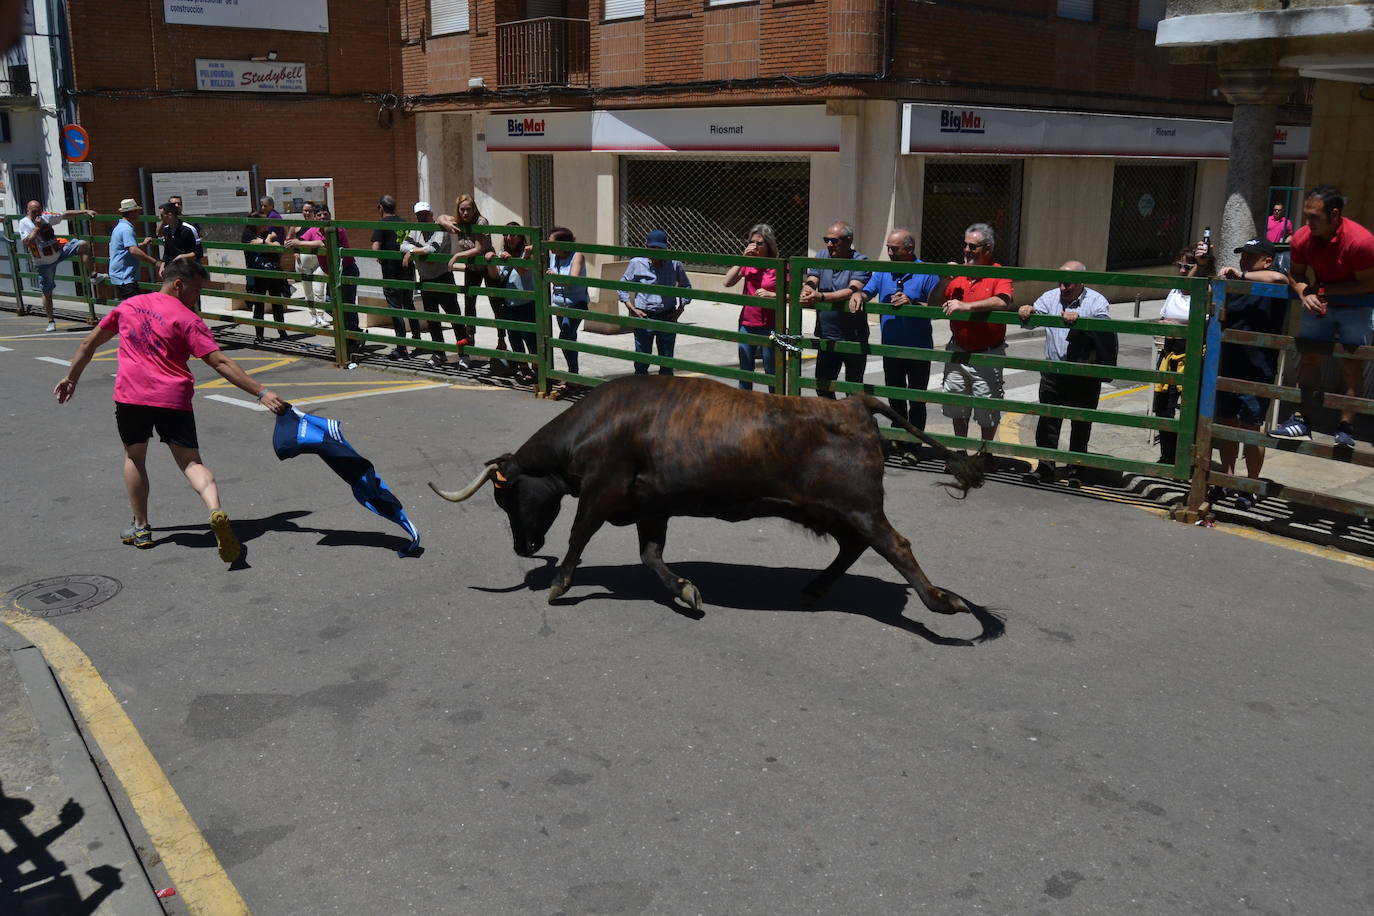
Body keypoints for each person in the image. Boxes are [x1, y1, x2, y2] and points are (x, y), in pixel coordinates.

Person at [52, 259, 288, 563]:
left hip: (131, 397)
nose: (197, 296)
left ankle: (141, 528)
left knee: (134, 457)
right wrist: (261, 392)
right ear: (179, 284)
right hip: (172, 399)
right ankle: (215, 510)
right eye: (196, 289)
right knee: (191, 463)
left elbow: (89, 342)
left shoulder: (130, 305)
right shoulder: (189, 320)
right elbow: (220, 362)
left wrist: (71, 378)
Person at [1270, 185, 1374, 448]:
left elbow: (1366, 285)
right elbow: (1296, 273)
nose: (1308, 222)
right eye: (1306, 215)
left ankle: (1346, 426)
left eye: (1314, 216)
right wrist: (1305, 293)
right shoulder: (1302, 237)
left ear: (1335, 215)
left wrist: (1322, 290)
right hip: (1320, 301)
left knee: (1351, 364)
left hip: (1356, 304)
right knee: (1309, 358)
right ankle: (1301, 420)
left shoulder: (1361, 242)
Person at [848, 229, 941, 461]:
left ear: (909, 249)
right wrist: (860, 295)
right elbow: (868, 291)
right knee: (895, 397)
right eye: (888, 247)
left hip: (918, 346)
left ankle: (914, 445)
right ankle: (900, 440)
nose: (889, 252)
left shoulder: (926, 272)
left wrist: (913, 303)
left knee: (916, 399)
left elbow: (936, 306)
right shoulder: (884, 271)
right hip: (891, 346)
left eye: (894, 248)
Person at [1017, 261, 1113, 484]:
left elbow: (1103, 326)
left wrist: (1082, 321)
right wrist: (1027, 310)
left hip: (1083, 371)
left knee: (1081, 421)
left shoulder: (1096, 300)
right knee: (1049, 420)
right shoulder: (1050, 297)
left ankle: (1076, 469)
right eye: (1060, 282)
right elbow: (1032, 318)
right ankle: (1046, 467)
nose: (1063, 287)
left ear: (1081, 282)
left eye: (1068, 283)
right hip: (1054, 370)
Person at [1211, 238, 1289, 507]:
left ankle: (1250, 485)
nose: (1244, 259)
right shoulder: (1236, 285)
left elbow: (1280, 278)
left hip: (1259, 367)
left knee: (1252, 427)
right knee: (1227, 423)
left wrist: (1242, 274)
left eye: (1251, 256)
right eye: (1243, 255)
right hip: (1230, 363)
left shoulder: (1272, 281)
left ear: (1267, 260)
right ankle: (1227, 479)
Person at [930, 222, 1014, 446]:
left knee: (987, 407)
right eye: (965, 245)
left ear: (987, 249)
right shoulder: (957, 276)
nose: (966, 251)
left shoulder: (998, 273)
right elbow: (934, 306)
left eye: (972, 247)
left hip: (987, 353)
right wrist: (944, 281)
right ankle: (960, 451)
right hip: (958, 349)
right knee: (956, 403)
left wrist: (967, 306)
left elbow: (1003, 301)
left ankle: (984, 454)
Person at [1151, 243, 1212, 464]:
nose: (1182, 271)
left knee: (1191, 411)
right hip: (1169, 355)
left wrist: (1202, 264)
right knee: (1163, 409)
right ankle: (1168, 456)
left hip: (1193, 357)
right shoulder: (1175, 290)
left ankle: (1188, 457)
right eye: (1180, 266)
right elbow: (1163, 318)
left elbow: (1191, 286)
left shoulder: (1204, 290)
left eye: (1188, 267)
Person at [801, 220, 872, 398]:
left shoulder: (861, 261)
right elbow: (812, 280)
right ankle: (835, 422)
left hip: (854, 337)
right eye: (826, 240)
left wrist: (821, 297)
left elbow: (852, 290)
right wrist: (807, 290)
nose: (829, 244)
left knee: (853, 389)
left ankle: (851, 423)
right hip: (828, 334)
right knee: (823, 385)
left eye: (834, 241)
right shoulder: (821, 257)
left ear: (848, 241)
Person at [17, 198, 103, 330]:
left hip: (58, 252)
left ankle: (93, 275)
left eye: (39, 210)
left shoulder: (45, 216)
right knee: (47, 291)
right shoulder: (24, 223)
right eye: (34, 211)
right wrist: (37, 228)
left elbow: (65, 214)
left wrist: (84, 211)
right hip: (44, 262)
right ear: (28, 210)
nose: (37, 214)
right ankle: (51, 321)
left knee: (82, 245)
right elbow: (27, 242)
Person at [619, 229, 691, 376]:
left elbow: (686, 287)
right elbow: (622, 286)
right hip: (644, 316)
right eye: (653, 248)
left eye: (660, 248)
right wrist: (631, 307)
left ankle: (664, 395)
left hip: (667, 316)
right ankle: (641, 393)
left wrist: (680, 309)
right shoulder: (637, 263)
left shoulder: (675, 264)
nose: (656, 251)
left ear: (666, 248)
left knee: (666, 361)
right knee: (642, 360)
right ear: (646, 246)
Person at [723, 223, 779, 392]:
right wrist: (743, 259)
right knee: (746, 371)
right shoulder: (748, 263)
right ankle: (745, 404)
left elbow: (792, 295)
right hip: (747, 323)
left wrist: (772, 295)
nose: (754, 246)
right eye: (751, 242)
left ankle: (775, 404)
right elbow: (727, 282)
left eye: (759, 243)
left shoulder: (778, 266)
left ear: (768, 244)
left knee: (771, 370)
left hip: (770, 325)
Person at [401, 201, 457, 368]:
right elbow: (403, 245)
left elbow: (432, 249)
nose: (422, 217)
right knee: (433, 320)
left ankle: (464, 354)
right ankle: (439, 354)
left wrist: (412, 252)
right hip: (426, 280)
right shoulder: (415, 230)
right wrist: (413, 251)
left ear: (431, 215)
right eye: (419, 215)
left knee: (455, 318)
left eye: (425, 214)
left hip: (443, 278)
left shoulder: (440, 230)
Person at [440, 193, 492, 366]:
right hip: (472, 268)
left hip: (487, 266)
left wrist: (457, 256)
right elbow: (440, 218)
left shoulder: (480, 223)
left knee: (496, 303)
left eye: (468, 209)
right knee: (469, 304)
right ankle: (470, 340)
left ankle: (501, 339)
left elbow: (479, 249)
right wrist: (445, 221)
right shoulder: (459, 221)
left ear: (474, 209)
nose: (465, 213)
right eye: (462, 210)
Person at [487, 224, 538, 386]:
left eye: (513, 235)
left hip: (527, 303)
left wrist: (511, 260)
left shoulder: (528, 252)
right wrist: (490, 261)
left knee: (530, 338)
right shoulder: (503, 254)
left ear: (521, 237)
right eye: (506, 235)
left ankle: (537, 369)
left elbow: (524, 271)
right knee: (515, 338)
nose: (509, 237)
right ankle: (523, 368)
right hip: (509, 304)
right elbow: (496, 276)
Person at [371, 195, 418, 360]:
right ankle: (418, 341)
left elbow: (375, 249)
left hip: (391, 272)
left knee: (395, 308)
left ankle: (401, 347)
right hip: (407, 271)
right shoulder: (405, 223)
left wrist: (380, 257)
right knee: (409, 305)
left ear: (381, 208)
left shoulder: (381, 224)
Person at [547, 226, 589, 396]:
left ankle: (573, 376)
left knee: (565, 337)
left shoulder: (577, 255)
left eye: (552, 243)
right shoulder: (552, 256)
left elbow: (572, 279)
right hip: (558, 305)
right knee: (570, 338)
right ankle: (574, 377)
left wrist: (553, 275)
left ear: (563, 244)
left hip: (576, 304)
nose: (549, 246)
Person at [318, 207, 362, 355]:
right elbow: (298, 239)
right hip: (333, 274)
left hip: (347, 270)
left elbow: (324, 244)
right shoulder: (315, 230)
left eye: (325, 214)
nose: (323, 217)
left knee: (347, 305)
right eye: (319, 215)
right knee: (330, 304)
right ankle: (352, 333)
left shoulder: (337, 229)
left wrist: (301, 242)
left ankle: (354, 337)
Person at [285, 203, 333, 329]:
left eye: (309, 211)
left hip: (318, 262)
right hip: (303, 264)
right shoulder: (296, 225)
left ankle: (321, 317)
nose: (306, 213)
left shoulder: (318, 226)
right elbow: (289, 241)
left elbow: (321, 242)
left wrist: (299, 243)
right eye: (304, 211)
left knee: (319, 290)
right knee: (308, 292)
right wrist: (295, 251)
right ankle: (313, 316)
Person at [108, 198, 160, 303]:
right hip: (124, 276)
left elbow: (126, 247)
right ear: (132, 212)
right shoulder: (127, 229)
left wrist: (142, 244)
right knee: (135, 307)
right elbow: (133, 250)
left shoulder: (120, 227)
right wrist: (155, 262)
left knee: (133, 307)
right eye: (137, 211)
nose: (138, 214)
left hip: (121, 275)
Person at [153, 202, 203, 281]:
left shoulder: (188, 230)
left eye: (162, 215)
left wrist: (181, 257)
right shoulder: (166, 230)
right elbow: (167, 252)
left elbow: (198, 253)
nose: (160, 218)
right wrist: (162, 265)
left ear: (170, 215)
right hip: (173, 270)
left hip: (187, 270)